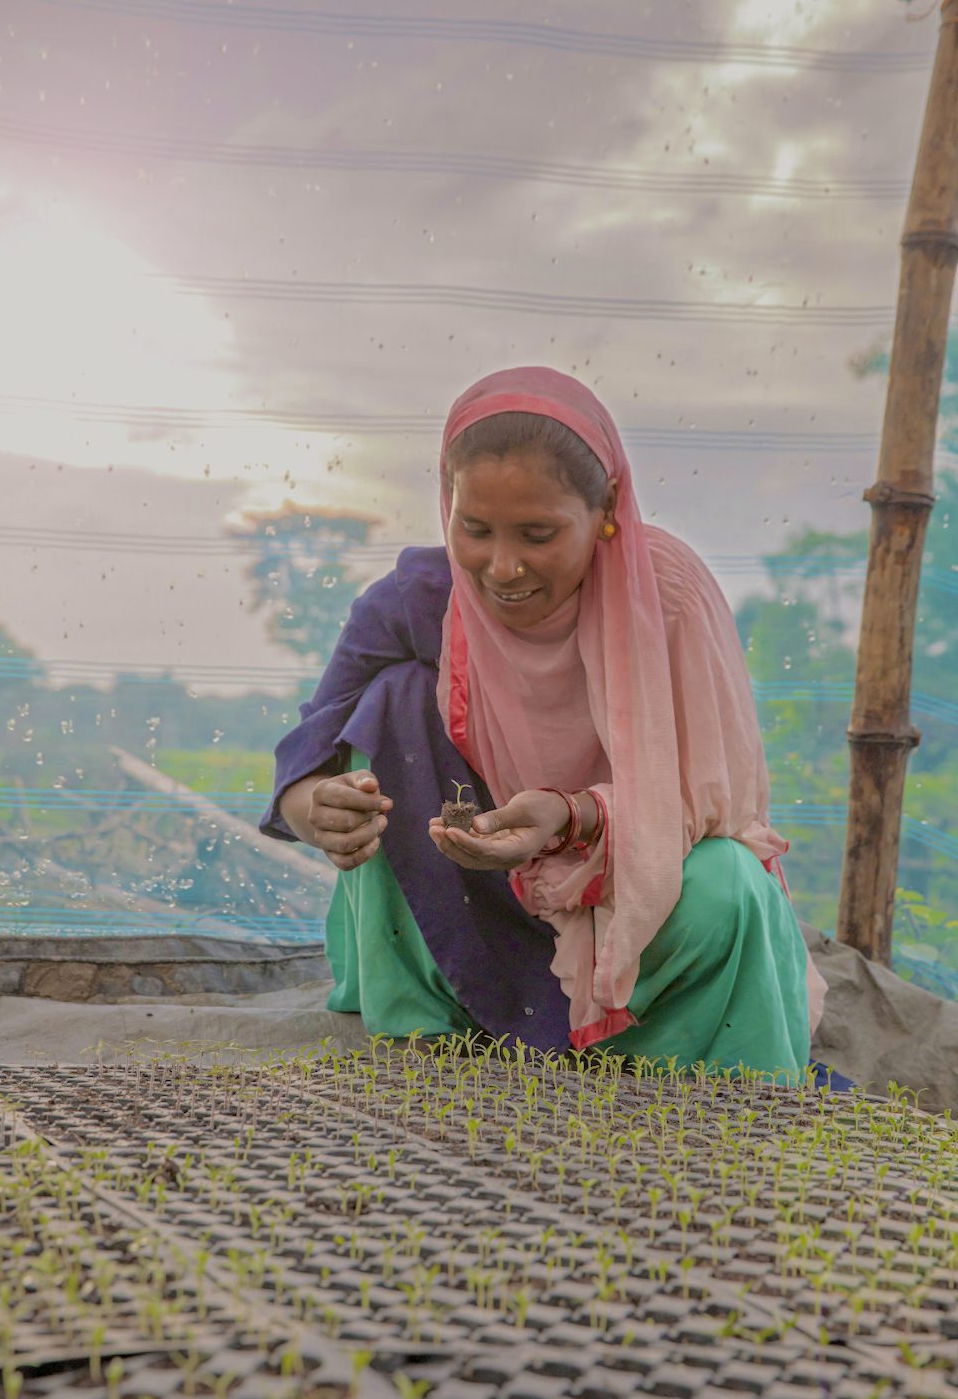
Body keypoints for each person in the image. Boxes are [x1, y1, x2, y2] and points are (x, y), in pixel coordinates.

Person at [261, 367, 827, 1077]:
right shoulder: (419, 599)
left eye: (538, 534)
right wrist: (319, 810)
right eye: (476, 530)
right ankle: (434, 1029)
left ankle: (657, 1057)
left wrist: (571, 817)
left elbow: (720, 808)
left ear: (608, 508)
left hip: (631, 901)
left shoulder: (668, 598)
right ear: (448, 506)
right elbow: (309, 751)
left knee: (732, 884)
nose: (502, 568)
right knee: (393, 703)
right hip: (478, 908)